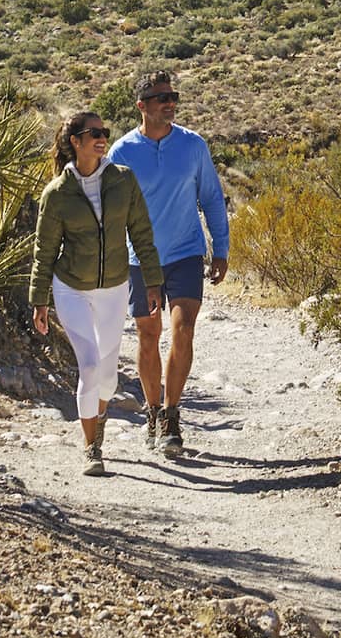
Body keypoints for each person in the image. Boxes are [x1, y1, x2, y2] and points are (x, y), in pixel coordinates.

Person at [30, 112, 164, 477]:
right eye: (94, 133)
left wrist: (152, 281)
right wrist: (39, 301)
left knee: (108, 377)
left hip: (114, 287)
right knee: (89, 366)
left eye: (104, 131)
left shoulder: (123, 180)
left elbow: (142, 233)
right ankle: (92, 448)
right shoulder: (57, 194)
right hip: (72, 288)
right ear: (75, 141)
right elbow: (44, 251)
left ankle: (98, 418)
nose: (102, 137)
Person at [107, 70, 229, 457]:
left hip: (186, 253)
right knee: (148, 335)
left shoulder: (193, 145)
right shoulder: (122, 152)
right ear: (141, 106)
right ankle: (152, 411)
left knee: (184, 329)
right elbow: (110, 210)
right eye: (162, 98)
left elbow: (212, 197)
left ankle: (172, 415)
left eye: (173, 96)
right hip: (139, 259)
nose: (170, 103)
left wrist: (221, 248)